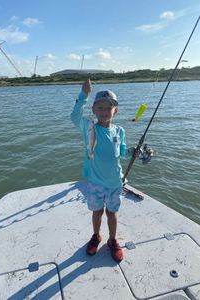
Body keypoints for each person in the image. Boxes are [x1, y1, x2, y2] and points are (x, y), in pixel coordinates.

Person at [71, 79, 134, 262]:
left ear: (116, 111)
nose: (104, 111)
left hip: (115, 182)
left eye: (109, 108)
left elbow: (121, 153)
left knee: (112, 213)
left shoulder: (119, 131)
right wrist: (84, 95)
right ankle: (96, 236)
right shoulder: (89, 127)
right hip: (96, 183)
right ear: (94, 111)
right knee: (97, 212)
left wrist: (131, 152)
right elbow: (75, 116)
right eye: (100, 107)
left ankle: (112, 240)